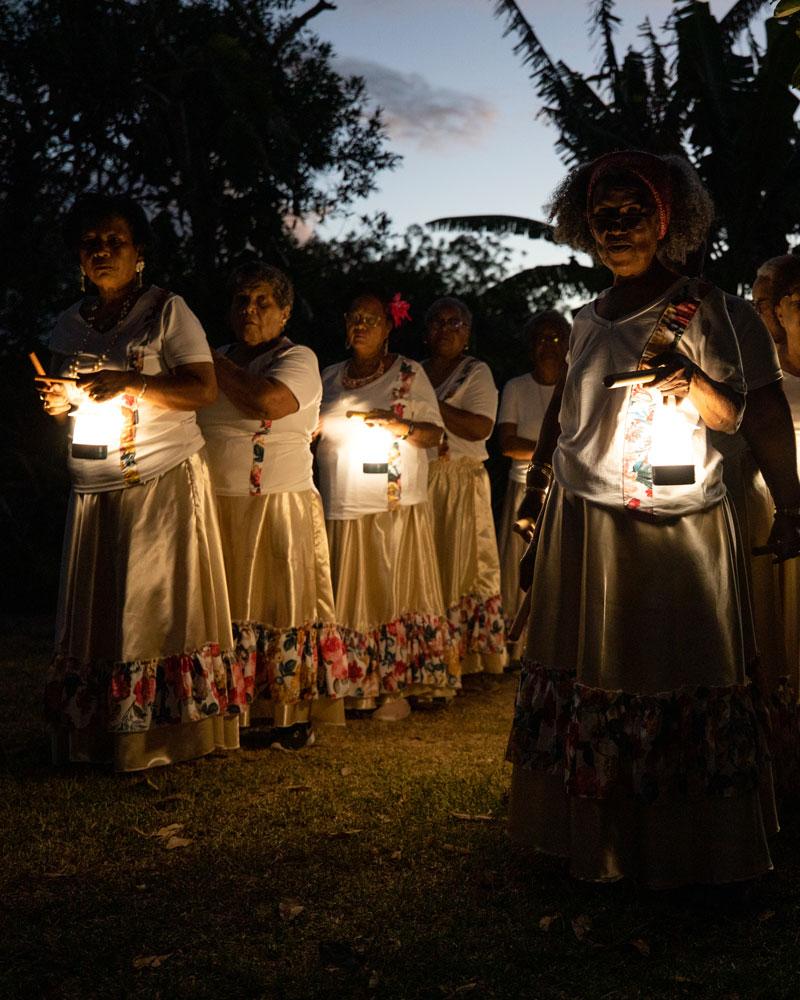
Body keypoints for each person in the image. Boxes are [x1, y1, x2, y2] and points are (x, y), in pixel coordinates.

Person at [506, 150, 777, 887]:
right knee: (586, 667)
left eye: (632, 213)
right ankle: (598, 838)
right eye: (604, 215)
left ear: (665, 221)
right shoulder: (586, 318)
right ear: (585, 226)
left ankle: (687, 847)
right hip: (584, 525)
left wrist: (688, 382)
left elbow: (741, 415)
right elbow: (564, 415)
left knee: (670, 668)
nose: (616, 227)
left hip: (674, 523)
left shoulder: (704, 306)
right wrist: (534, 505)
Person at [40, 194, 237, 770]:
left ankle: (161, 736)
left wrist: (133, 382)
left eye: (114, 242)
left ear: (139, 252)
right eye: (90, 244)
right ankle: (98, 729)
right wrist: (61, 400)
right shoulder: (68, 322)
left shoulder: (167, 312)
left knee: (153, 606)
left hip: (161, 480)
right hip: (93, 482)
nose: (101, 252)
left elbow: (202, 390)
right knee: (101, 609)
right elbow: (75, 394)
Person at [198, 262, 347, 750]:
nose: (250, 310)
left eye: (263, 301)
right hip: (216, 504)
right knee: (222, 608)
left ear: (284, 313)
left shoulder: (297, 358)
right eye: (242, 300)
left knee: (279, 606)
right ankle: (224, 708)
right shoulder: (215, 356)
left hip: (278, 505)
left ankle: (285, 713)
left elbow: (268, 401)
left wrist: (202, 356)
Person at [316, 287, 459, 720]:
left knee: (394, 590)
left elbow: (434, 435)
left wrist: (399, 426)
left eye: (370, 319)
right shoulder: (328, 377)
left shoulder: (408, 374)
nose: (360, 326)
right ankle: (352, 683)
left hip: (394, 505)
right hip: (343, 502)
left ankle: (398, 685)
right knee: (351, 592)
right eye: (353, 318)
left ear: (388, 329)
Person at [422, 296, 506, 680]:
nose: (445, 330)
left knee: (464, 564)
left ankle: (466, 656)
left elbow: (479, 427)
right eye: (437, 322)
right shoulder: (416, 372)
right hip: (423, 479)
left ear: (467, 333)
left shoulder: (476, 372)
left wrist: (431, 405)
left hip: (461, 478)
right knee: (428, 564)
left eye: (454, 323)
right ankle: (430, 650)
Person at [496, 310, 569, 663]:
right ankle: (512, 648)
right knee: (517, 567)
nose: (549, 346)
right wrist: (553, 453)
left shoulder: (575, 389)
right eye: (541, 339)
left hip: (565, 490)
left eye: (556, 338)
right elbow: (507, 443)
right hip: (524, 488)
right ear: (530, 347)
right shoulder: (516, 387)